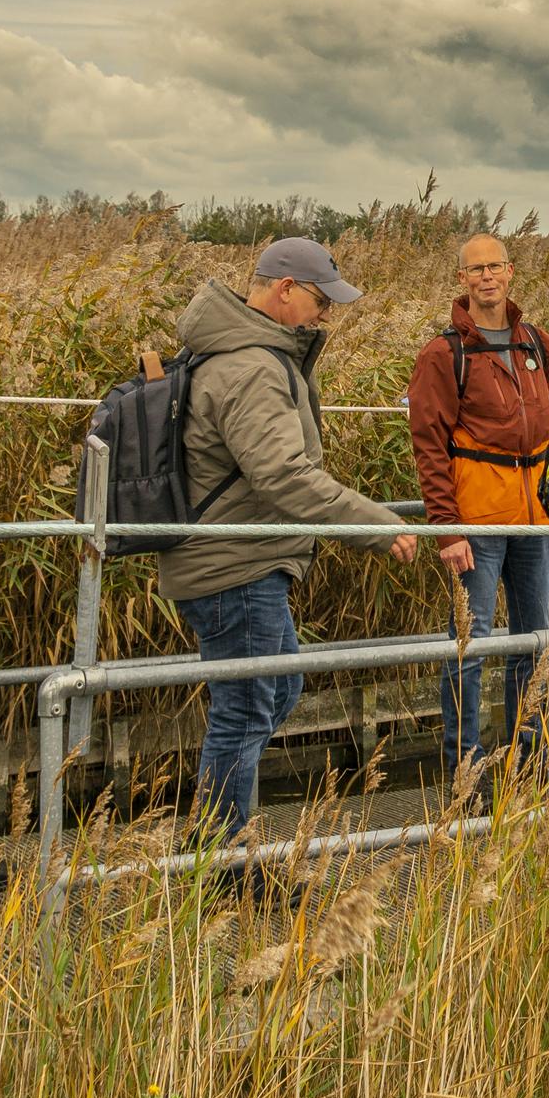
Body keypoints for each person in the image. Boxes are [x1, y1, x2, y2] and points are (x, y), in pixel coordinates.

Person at [155, 237, 408, 853]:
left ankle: (215, 841)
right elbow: (282, 476)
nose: (325, 315)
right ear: (284, 289)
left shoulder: (241, 353)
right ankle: (223, 860)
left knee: (279, 690)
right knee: (243, 710)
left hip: (243, 560)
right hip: (236, 566)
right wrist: (376, 525)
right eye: (320, 301)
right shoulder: (251, 366)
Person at [404, 232, 549, 772]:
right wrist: (446, 529)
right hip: (476, 525)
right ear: (462, 280)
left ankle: (531, 758)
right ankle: (465, 764)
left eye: (495, 266)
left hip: (534, 525)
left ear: (511, 271)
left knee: (534, 643)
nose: (487, 277)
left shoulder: (539, 346)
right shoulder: (443, 354)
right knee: (469, 646)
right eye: (476, 270)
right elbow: (429, 446)